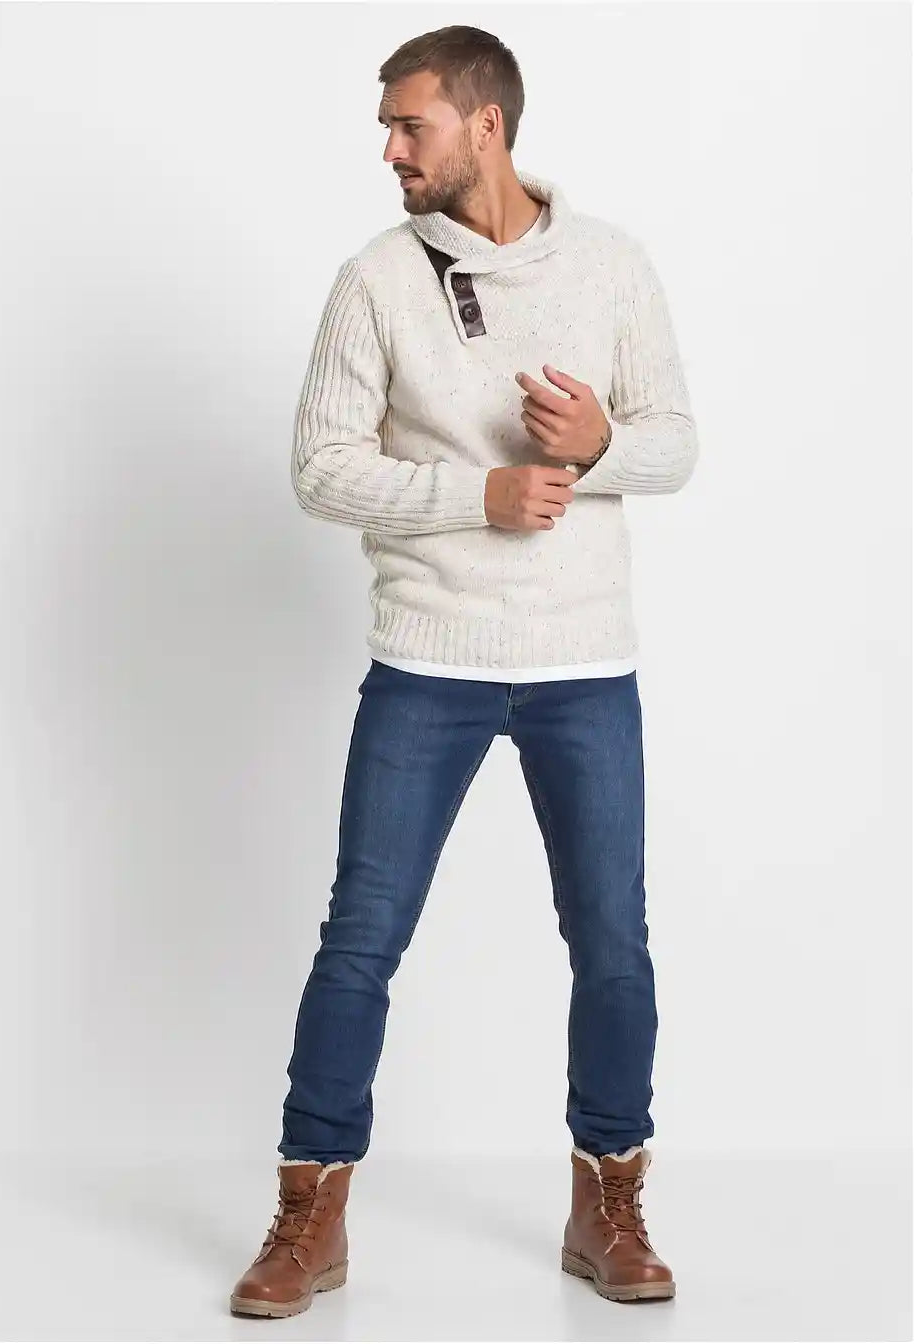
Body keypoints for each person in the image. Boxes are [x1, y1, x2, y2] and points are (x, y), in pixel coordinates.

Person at [230, 22, 698, 1319]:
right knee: (360, 940)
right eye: (387, 126)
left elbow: (676, 442)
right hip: (426, 660)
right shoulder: (376, 280)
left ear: (485, 125)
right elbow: (321, 468)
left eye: (410, 124)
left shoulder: (611, 265)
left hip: (584, 662)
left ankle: (608, 1198)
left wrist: (596, 446)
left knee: (613, 943)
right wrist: (474, 494)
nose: (390, 148)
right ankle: (310, 1214)